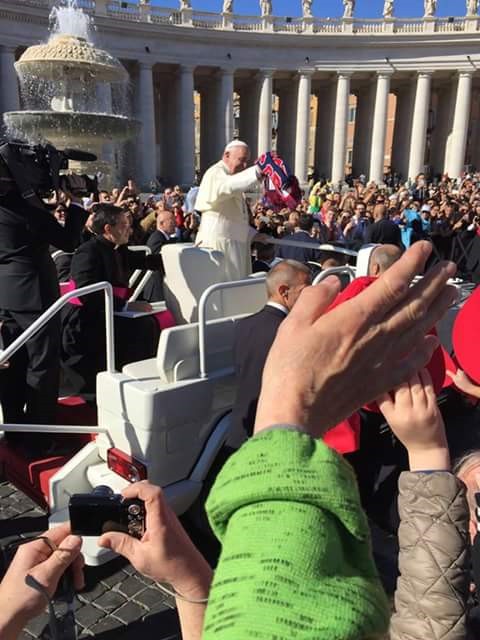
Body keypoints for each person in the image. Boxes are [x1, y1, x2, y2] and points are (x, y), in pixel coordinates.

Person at [0, 241, 468, 640]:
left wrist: (191, 583)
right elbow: (286, 616)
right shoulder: (273, 331)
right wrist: (292, 414)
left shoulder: (246, 325)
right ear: (286, 291)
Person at [0, 183, 87, 429]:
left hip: (7, 295)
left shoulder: (10, 206)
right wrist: (77, 202)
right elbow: (69, 241)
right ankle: (40, 438)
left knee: (13, 366)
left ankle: (15, 428)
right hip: (35, 296)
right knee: (42, 365)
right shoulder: (25, 209)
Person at [61, 204, 164, 393]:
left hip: (108, 312)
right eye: (124, 225)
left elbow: (145, 261)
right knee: (143, 327)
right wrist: (125, 306)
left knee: (148, 324)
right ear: (108, 229)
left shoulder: (118, 249)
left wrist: (174, 257)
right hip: (85, 321)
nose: (130, 229)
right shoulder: (88, 251)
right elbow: (86, 292)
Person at [231, 260, 311, 439]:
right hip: (274, 433)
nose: (310, 298)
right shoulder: (291, 333)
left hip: (240, 427)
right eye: (305, 291)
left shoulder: (243, 326)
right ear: (283, 291)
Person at [194, 140, 265, 281]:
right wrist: (256, 172)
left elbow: (231, 219)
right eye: (241, 160)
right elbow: (227, 187)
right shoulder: (215, 173)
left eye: (247, 162)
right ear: (226, 155)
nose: (245, 166)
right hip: (217, 246)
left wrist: (254, 235)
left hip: (233, 246)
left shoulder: (232, 178)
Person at [142, 210, 176, 302]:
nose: (175, 224)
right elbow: (157, 261)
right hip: (156, 289)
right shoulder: (156, 238)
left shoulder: (164, 238)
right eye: (172, 221)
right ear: (162, 223)